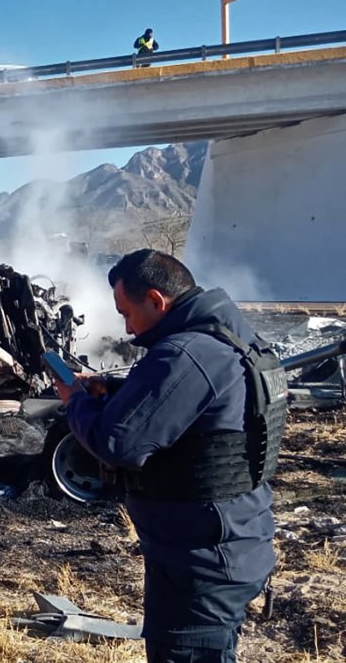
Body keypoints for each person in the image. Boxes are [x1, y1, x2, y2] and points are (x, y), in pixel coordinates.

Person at [56, 249, 278, 662]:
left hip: (201, 561)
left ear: (157, 301)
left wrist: (75, 403)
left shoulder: (185, 353)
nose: (126, 326)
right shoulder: (227, 335)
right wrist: (117, 389)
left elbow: (117, 443)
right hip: (229, 542)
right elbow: (196, 409)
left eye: (126, 313)